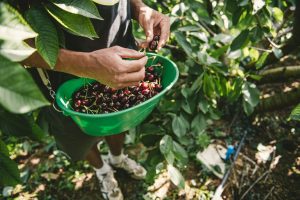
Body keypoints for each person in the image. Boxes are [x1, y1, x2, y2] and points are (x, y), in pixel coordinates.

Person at [23, 1, 170, 199]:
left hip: (120, 54)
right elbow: (7, 44)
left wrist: (139, 8)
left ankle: (117, 158)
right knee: (80, 134)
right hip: (61, 77)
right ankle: (102, 170)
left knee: (119, 119)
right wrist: (85, 64)